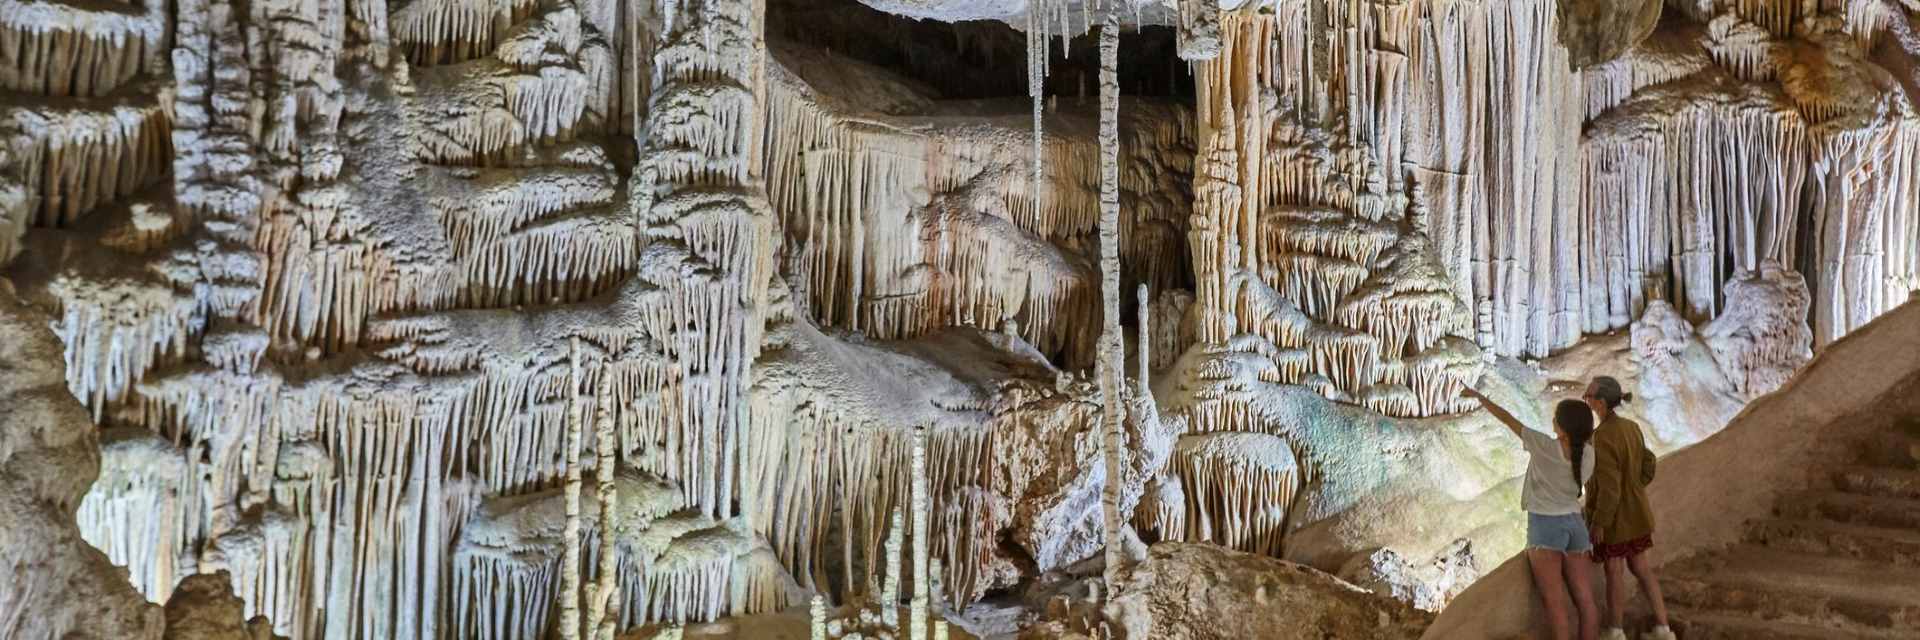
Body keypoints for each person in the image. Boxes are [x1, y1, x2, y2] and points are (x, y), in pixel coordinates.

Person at [1463, 386, 1599, 640]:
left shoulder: (1544, 446)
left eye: (1555, 420)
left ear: (1562, 428)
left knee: (1555, 604)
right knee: (1585, 601)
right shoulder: (1589, 454)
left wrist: (1480, 397)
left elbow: (1508, 420)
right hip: (1576, 526)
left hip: (1546, 526)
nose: (1552, 422)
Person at [1581, 376, 1673, 640]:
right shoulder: (1631, 427)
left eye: (1588, 397)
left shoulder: (1602, 438)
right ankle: (1663, 628)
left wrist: (1599, 522)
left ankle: (1615, 630)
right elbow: (1649, 462)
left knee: (1614, 570)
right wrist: (1635, 487)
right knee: (1641, 567)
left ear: (1600, 403)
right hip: (1638, 512)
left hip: (1617, 520)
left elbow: (1609, 488)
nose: (1586, 401)